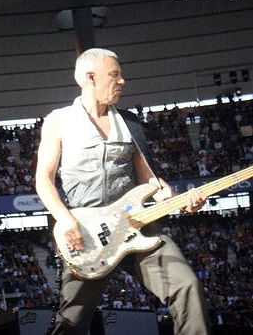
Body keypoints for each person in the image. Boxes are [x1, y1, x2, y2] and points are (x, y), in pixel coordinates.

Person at [35, 48, 211, 334]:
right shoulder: (59, 120)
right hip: (90, 234)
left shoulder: (129, 122)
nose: (122, 81)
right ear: (90, 78)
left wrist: (180, 201)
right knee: (71, 321)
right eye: (114, 74)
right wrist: (64, 219)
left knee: (186, 286)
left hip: (138, 225)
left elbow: (151, 183)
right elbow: (43, 178)